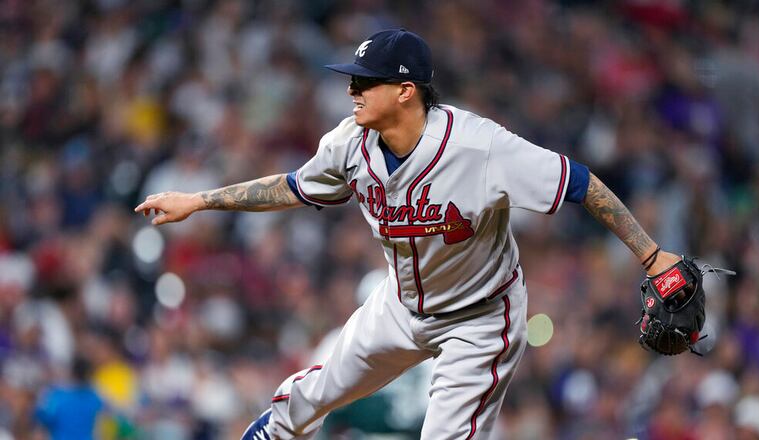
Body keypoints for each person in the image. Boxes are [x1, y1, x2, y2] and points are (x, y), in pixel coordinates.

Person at [135, 29, 681, 440]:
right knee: (302, 401)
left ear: (404, 90)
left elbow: (580, 183)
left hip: (479, 318)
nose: (350, 89)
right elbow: (294, 187)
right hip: (399, 304)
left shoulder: (479, 147)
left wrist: (652, 255)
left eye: (364, 81)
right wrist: (199, 201)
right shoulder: (350, 143)